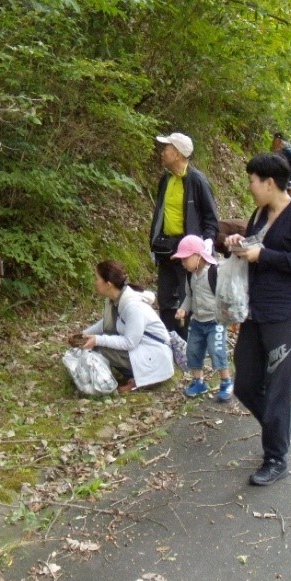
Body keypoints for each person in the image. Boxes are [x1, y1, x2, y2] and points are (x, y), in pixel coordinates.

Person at [224, 153, 291, 486]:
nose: (249, 186)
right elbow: (256, 248)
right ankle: (279, 430)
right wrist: (241, 243)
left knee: (279, 388)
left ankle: (276, 457)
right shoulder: (259, 214)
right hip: (257, 309)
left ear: (269, 182)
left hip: (288, 311)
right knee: (246, 383)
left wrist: (262, 254)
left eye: (252, 180)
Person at [149, 132, 219, 340]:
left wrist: (207, 243)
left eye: (167, 149)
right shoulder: (166, 179)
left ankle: (188, 344)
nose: (163, 153)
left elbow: (210, 217)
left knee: (187, 297)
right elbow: (160, 213)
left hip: (189, 249)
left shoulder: (197, 181)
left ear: (178, 154)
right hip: (166, 248)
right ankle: (168, 341)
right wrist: (153, 241)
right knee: (165, 297)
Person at [76, 260, 174, 394]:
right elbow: (106, 323)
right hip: (143, 349)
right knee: (102, 342)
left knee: (104, 348)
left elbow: (130, 342)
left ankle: (144, 379)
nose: (95, 282)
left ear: (108, 284)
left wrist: (97, 340)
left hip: (155, 356)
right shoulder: (116, 299)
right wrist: (83, 334)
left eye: (97, 278)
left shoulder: (133, 306)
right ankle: (135, 375)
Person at [171, 235, 233, 402]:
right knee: (193, 351)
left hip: (216, 321)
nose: (183, 263)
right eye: (181, 260)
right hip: (197, 321)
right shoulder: (190, 276)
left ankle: (226, 381)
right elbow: (189, 297)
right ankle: (198, 381)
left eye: (185, 259)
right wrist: (183, 309)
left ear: (198, 255)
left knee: (216, 350)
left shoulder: (214, 272)